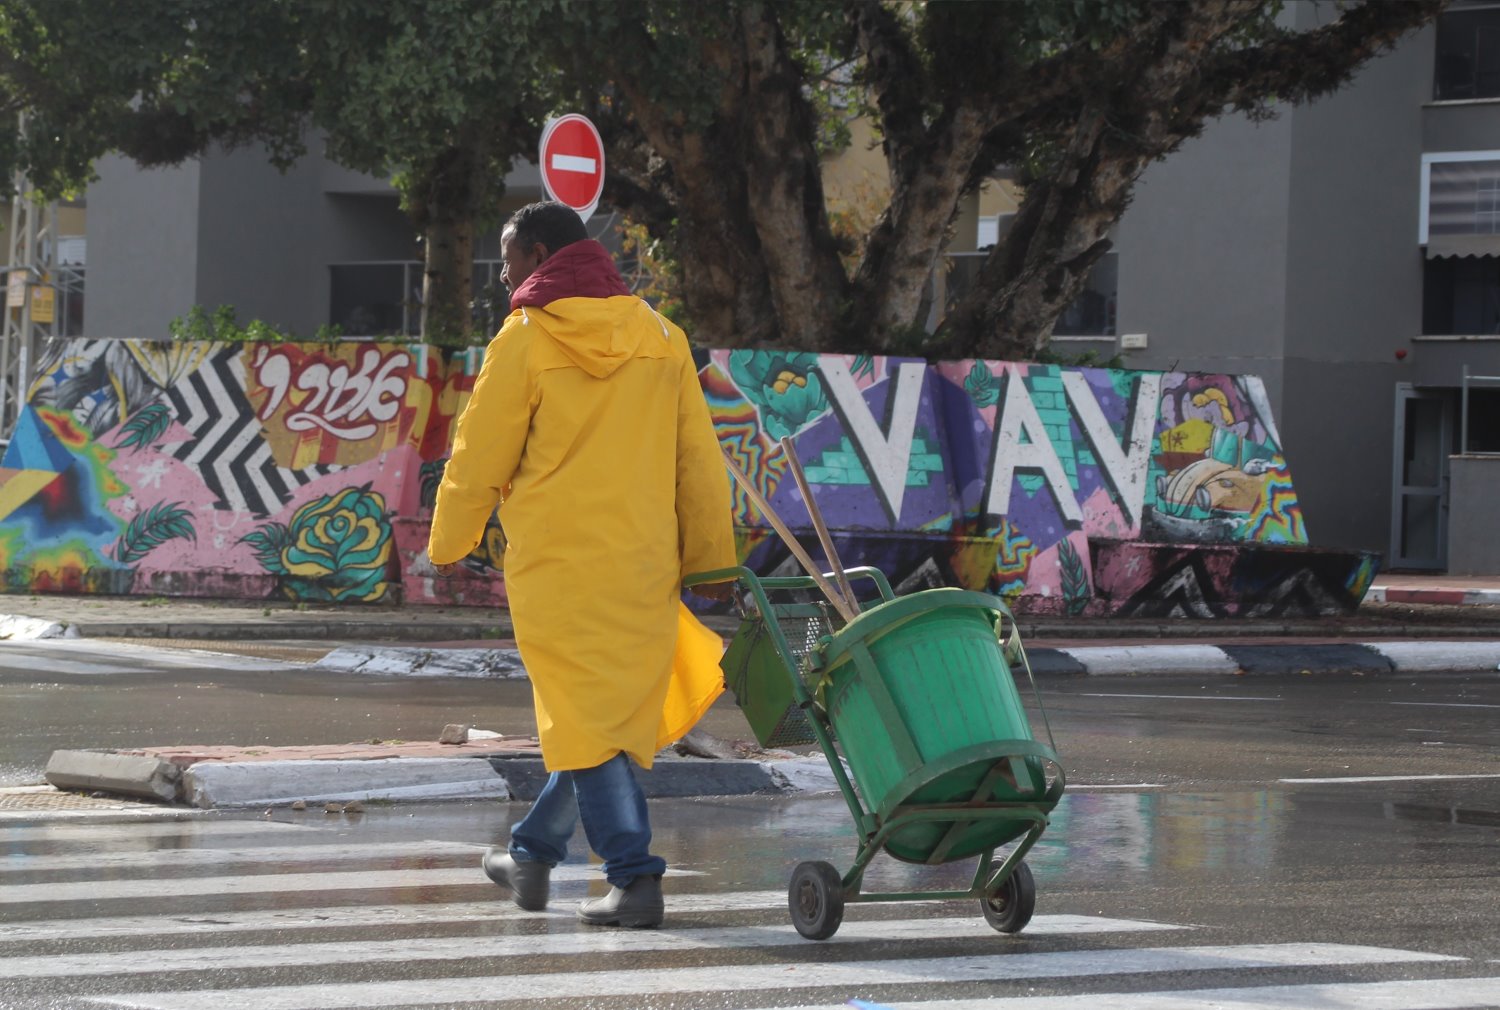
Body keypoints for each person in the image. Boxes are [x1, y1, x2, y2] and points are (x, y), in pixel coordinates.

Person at [427, 200, 735, 929]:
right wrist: (712, 560)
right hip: (644, 568)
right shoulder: (663, 338)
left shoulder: (526, 339)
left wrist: (447, 543)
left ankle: (633, 876)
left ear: (538, 255)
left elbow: (479, 455)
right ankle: (532, 855)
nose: (502, 277)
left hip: (559, 570)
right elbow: (700, 464)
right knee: (599, 718)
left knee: (586, 720)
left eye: (506, 260)